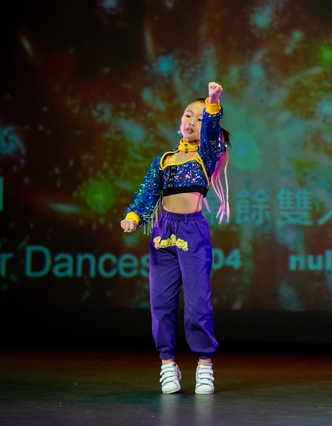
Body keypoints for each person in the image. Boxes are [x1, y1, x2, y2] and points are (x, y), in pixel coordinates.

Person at [120, 81, 230, 395]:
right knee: (161, 303)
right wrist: (134, 217)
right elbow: (147, 192)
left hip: (191, 231)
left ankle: (204, 364)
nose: (191, 122)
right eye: (187, 115)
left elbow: (211, 132)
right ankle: (167, 363)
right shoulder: (164, 160)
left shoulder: (207, 155)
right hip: (162, 233)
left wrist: (212, 102)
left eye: (199, 118)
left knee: (197, 303)